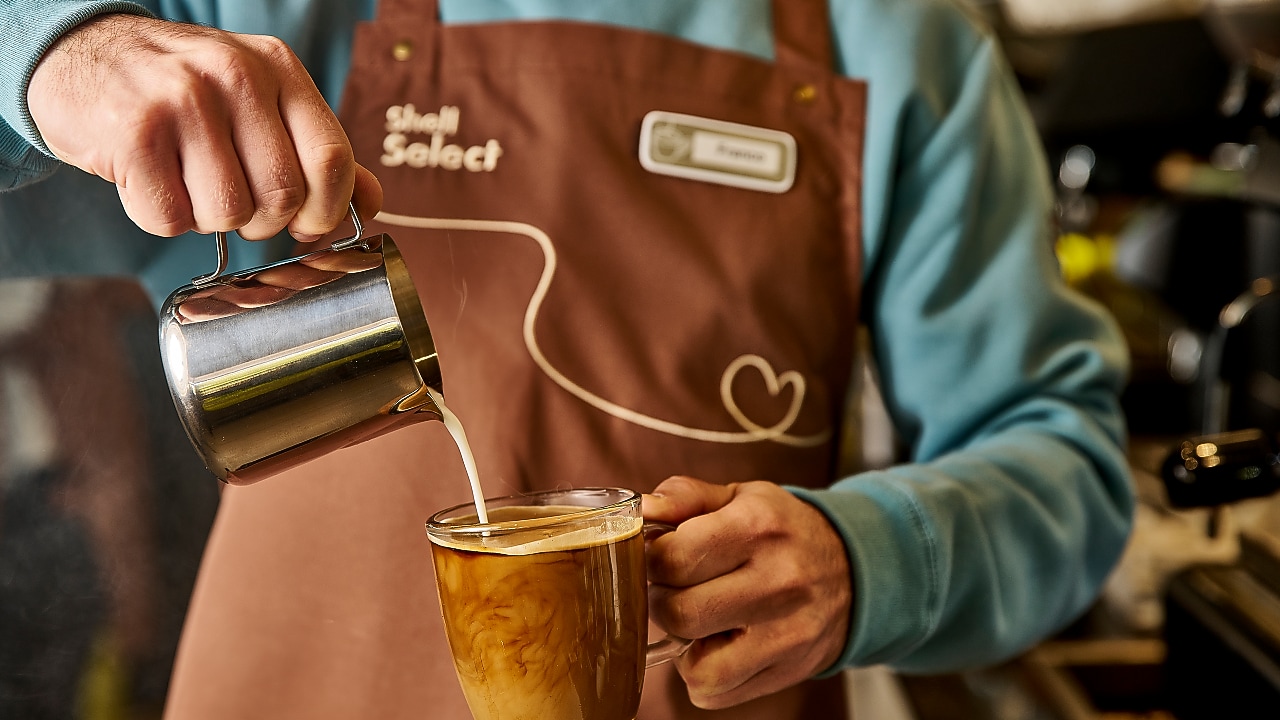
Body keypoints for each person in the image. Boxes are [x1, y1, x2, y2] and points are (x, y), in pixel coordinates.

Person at [1, 1, 1135, 718]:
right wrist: (51, 53)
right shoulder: (251, 15)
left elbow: (1068, 470)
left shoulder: (905, 47)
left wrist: (873, 553)